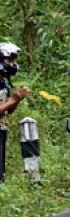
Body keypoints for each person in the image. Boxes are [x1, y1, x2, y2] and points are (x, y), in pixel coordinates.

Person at [0, 42, 30, 183]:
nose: (12, 64)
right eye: (9, 60)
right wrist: (14, 98)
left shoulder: (4, 83)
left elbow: (8, 109)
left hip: (2, 128)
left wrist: (17, 99)